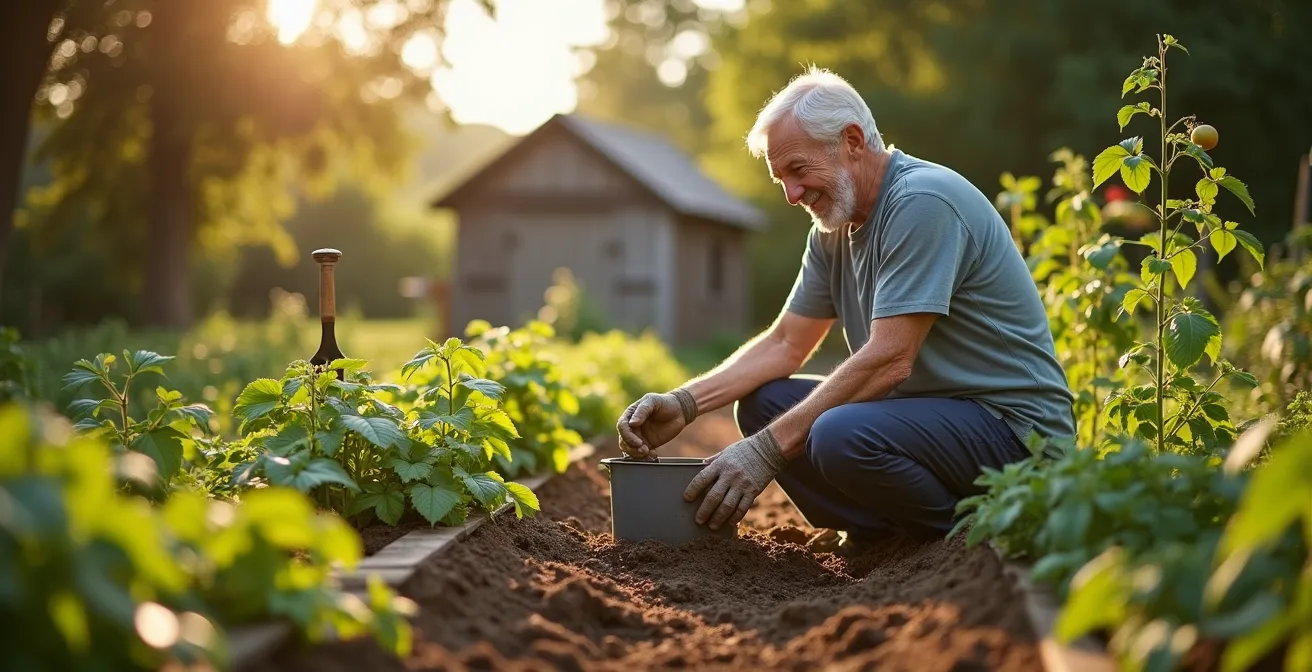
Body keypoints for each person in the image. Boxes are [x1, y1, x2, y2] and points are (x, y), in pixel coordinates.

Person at [615, 66, 1075, 553]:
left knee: (836, 434)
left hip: (1014, 434)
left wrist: (765, 452)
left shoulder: (922, 202)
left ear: (852, 140)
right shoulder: (831, 231)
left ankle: (963, 540)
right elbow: (786, 342)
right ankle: (881, 532)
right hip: (939, 423)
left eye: (798, 170)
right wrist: (684, 403)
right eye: (780, 179)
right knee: (762, 402)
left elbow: (890, 358)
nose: (792, 195)